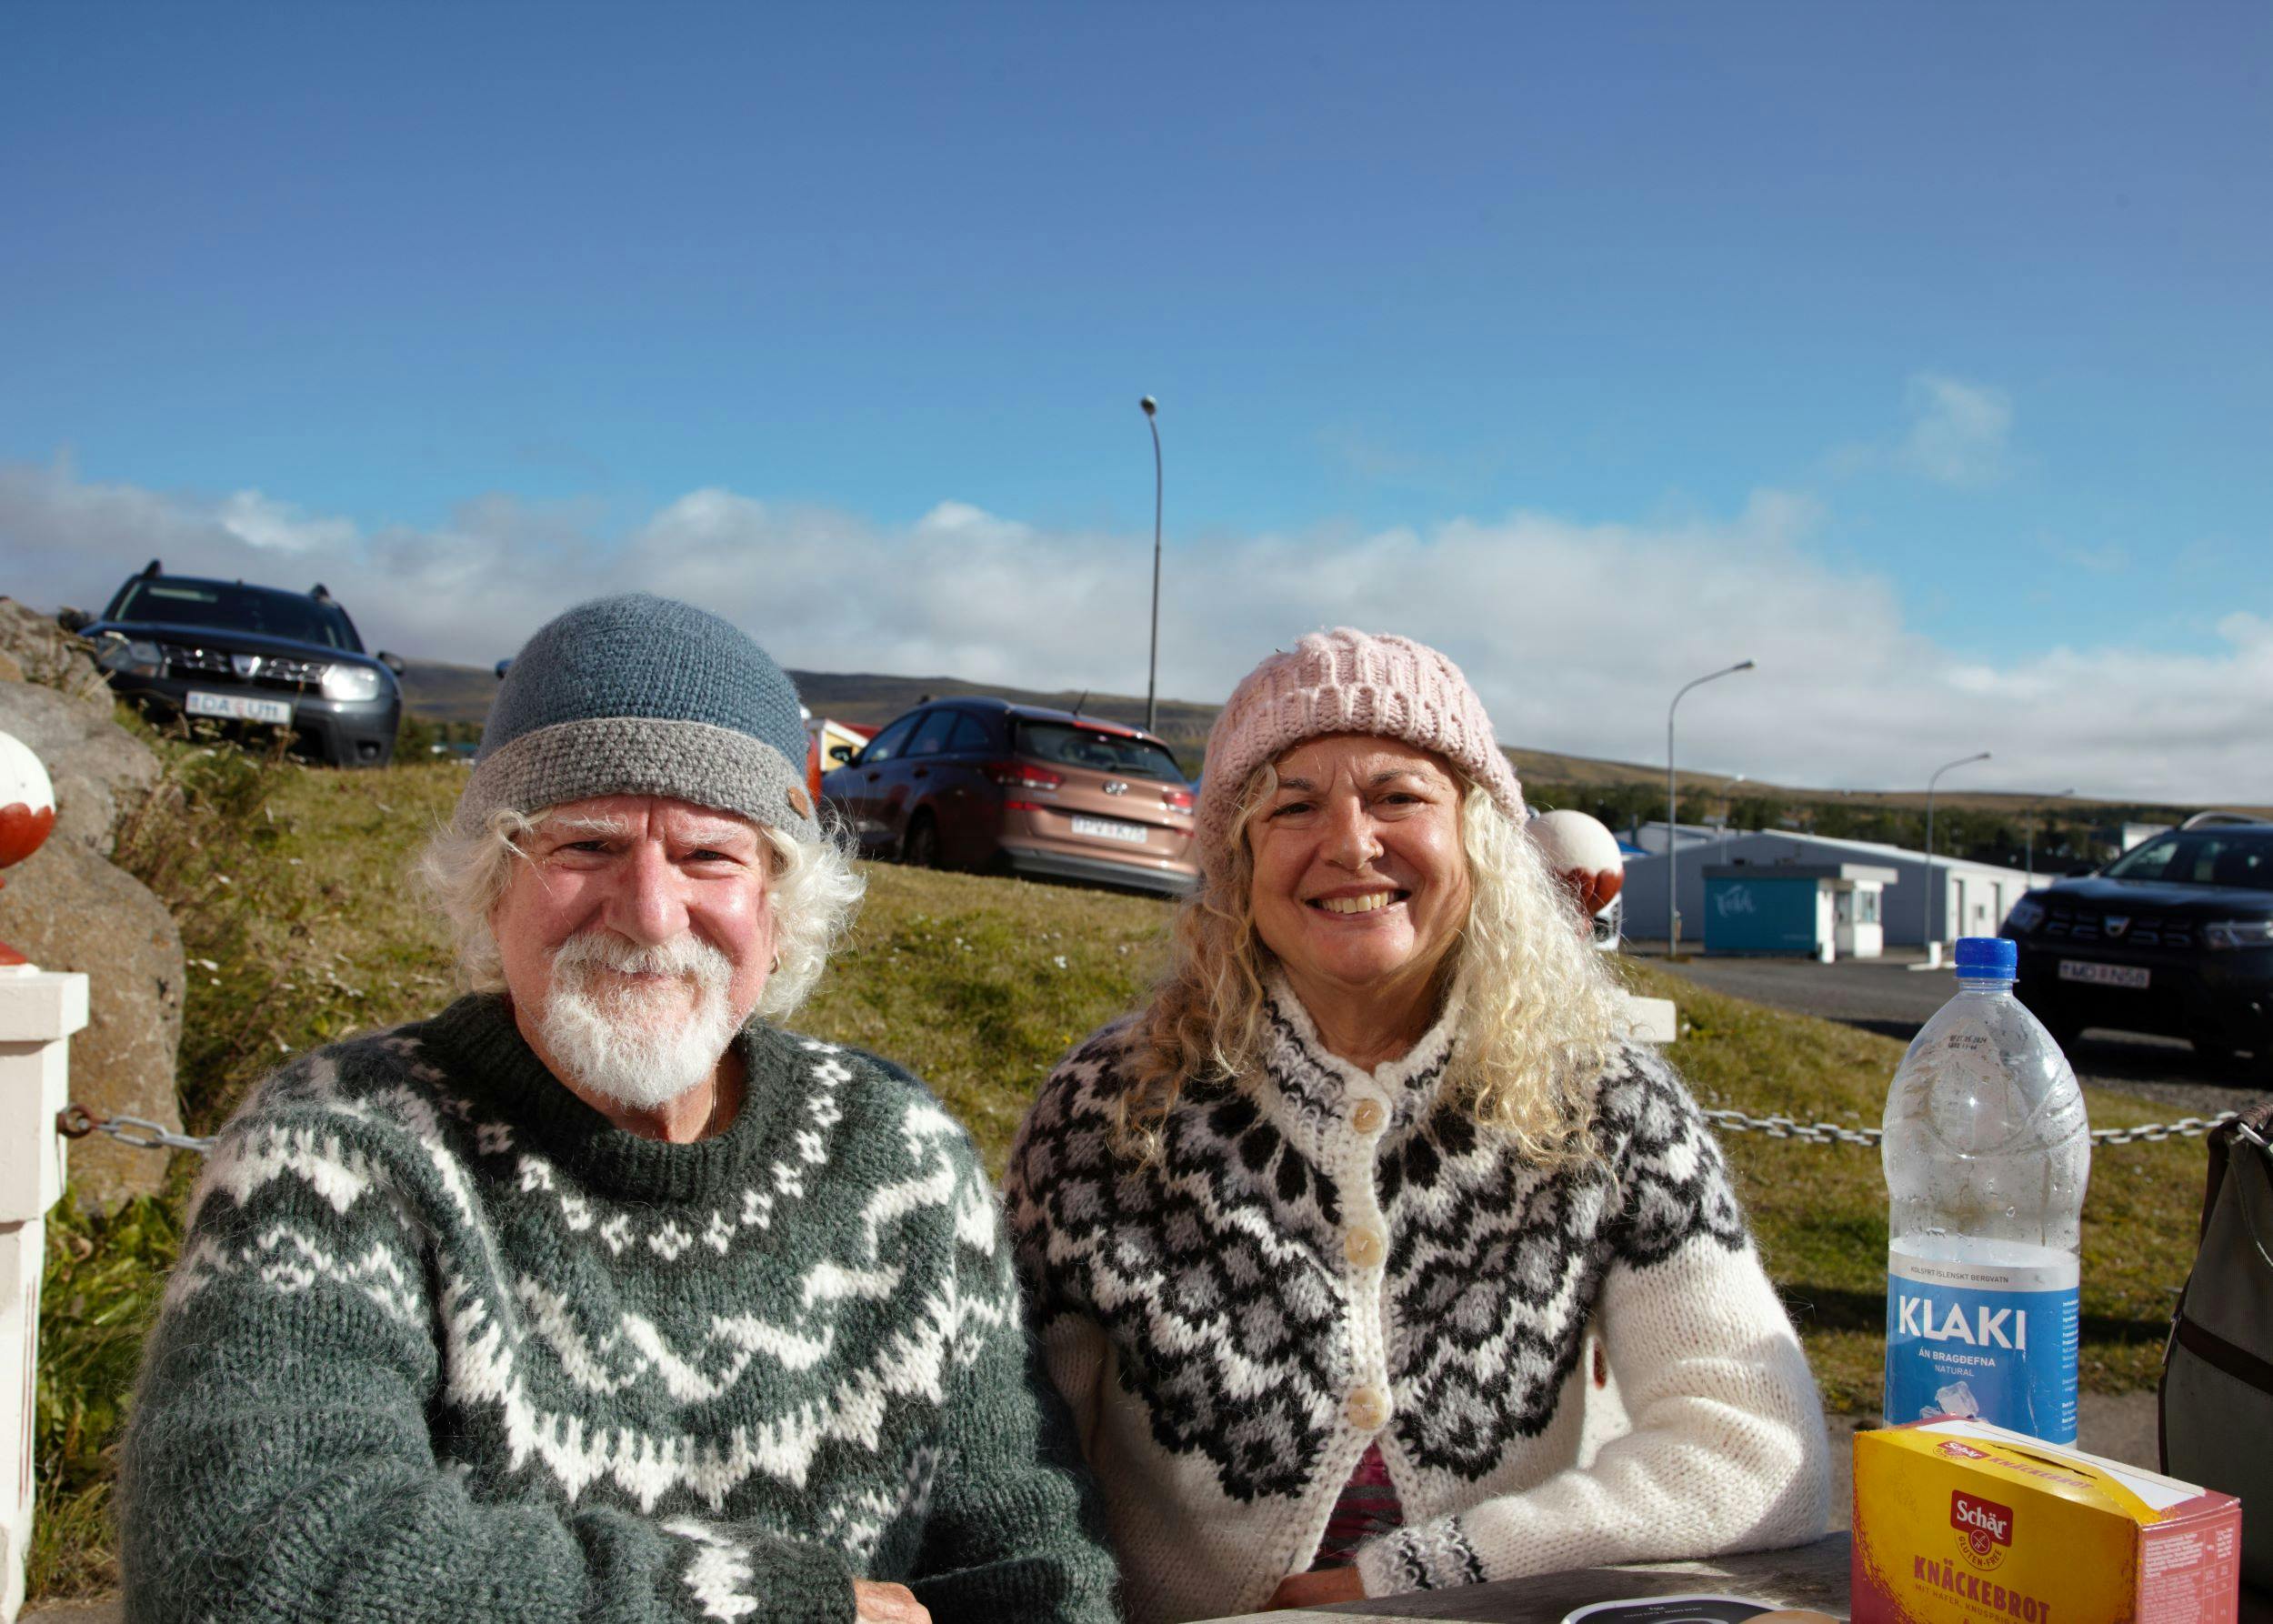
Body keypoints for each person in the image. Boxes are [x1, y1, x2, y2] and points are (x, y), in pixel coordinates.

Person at [122, 594, 1116, 1624]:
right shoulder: (336, 1147)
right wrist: (767, 1608)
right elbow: (246, 1569)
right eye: (587, 846)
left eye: (709, 856)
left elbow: (1037, 1567)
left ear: (777, 909)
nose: (648, 913)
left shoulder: (898, 1155)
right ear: (493, 881)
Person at [1003, 628, 1827, 1624]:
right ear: (1238, 859)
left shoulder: (1603, 1101)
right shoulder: (1107, 1106)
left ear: (1477, 836)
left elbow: (1755, 1448)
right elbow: (1015, 1469)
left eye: (1399, 796)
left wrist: (1440, 1571)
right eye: (1293, 804)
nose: (1350, 843)